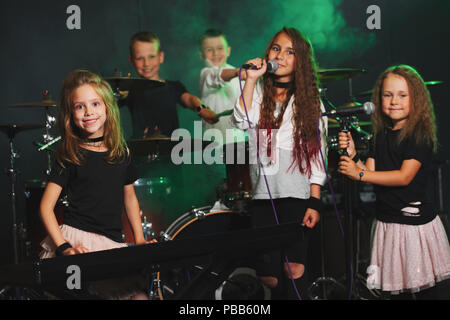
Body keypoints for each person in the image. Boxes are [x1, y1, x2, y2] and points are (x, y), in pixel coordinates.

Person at [338, 64, 450, 299]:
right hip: (387, 224)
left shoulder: (418, 135)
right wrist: (352, 156)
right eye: (388, 95)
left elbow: (403, 176)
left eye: (402, 95)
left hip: (413, 226)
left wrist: (359, 173)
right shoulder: (380, 135)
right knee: (396, 294)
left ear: (416, 99)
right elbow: (370, 173)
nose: (394, 101)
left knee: (425, 292)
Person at [232, 27, 327, 299]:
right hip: (263, 195)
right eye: (276, 48)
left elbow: (317, 156)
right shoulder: (259, 93)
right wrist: (250, 80)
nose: (281, 56)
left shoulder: (309, 100)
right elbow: (240, 119)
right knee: (269, 277)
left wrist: (314, 200)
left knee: (294, 270)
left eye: (290, 52)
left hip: (297, 196)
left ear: (301, 60)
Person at [39, 69, 150, 299]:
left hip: (111, 244)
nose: (89, 112)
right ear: (71, 113)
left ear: (108, 108)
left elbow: (129, 198)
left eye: (95, 104)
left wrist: (139, 239)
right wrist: (64, 248)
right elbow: (46, 207)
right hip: (80, 240)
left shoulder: (122, 152)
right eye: (80, 106)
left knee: (139, 297)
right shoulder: (70, 154)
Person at [126, 31, 217, 138]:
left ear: (161, 57)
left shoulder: (173, 87)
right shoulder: (129, 90)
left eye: (151, 57)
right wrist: (120, 91)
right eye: (140, 58)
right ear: (131, 60)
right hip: (141, 152)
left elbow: (189, 99)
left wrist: (201, 109)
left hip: (170, 151)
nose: (146, 63)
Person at [199, 28, 246, 145]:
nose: (215, 53)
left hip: (238, 141)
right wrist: (237, 73)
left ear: (228, 50)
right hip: (214, 143)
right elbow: (217, 76)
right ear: (201, 55)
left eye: (220, 48)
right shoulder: (205, 74)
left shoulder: (240, 76)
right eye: (209, 50)